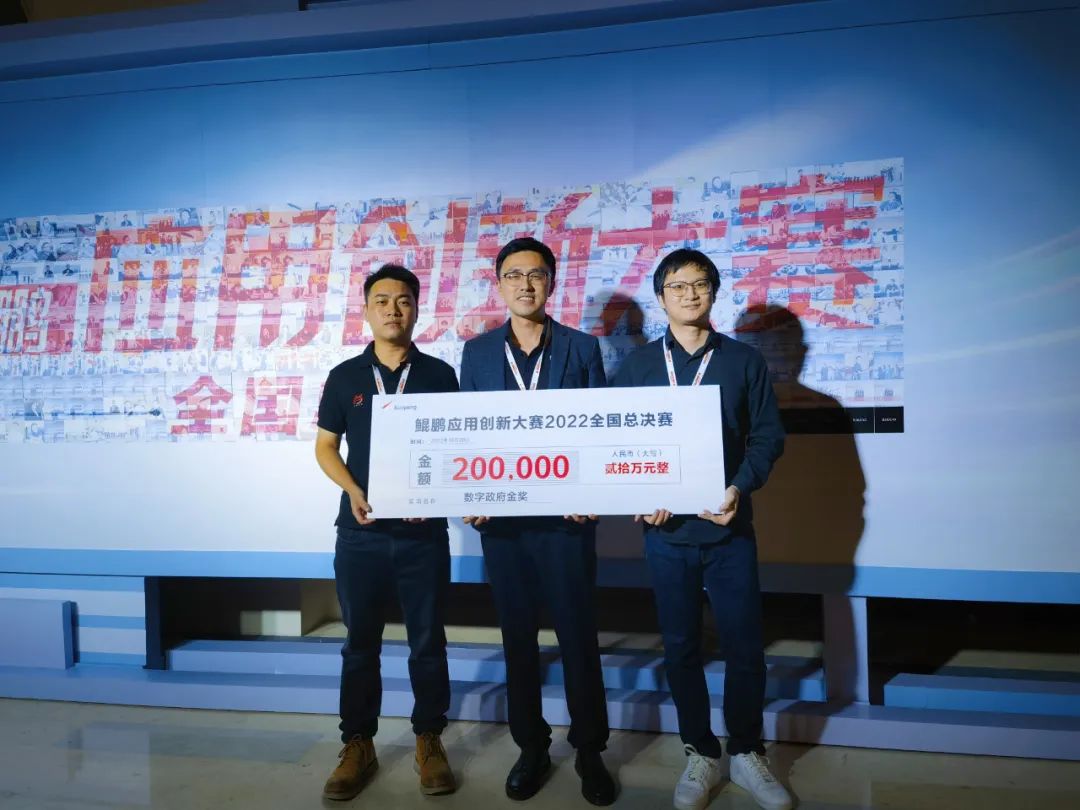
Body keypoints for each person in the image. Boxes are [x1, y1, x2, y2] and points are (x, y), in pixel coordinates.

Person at [611, 248, 791, 810]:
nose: (689, 294)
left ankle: (747, 751)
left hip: (728, 529)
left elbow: (767, 437)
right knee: (681, 646)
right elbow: (618, 444)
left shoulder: (742, 361)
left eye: (700, 284)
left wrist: (738, 487)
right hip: (667, 536)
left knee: (744, 646)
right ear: (660, 298)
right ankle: (700, 752)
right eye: (677, 286)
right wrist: (640, 494)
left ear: (713, 293)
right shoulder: (638, 367)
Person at [459, 237, 616, 806]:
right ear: (499, 283)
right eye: (514, 275)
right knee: (517, 639)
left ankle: (590, 749)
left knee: (578, 636)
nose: (525, 284)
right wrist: (469, 492)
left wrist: (590, 491)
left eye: (536, 274)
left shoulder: (581, 347)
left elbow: (599, 428)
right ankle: (531, 746)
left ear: (552, 282)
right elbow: (465, 431)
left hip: (565, 522)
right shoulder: (477, 353)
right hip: (503, 525)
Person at [315, 263, 459, 801]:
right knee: (360, 644)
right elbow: (325, 447)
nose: (393, 310)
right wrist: (354, 490)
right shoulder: (345, 376)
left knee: (428, 641)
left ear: (417, 309)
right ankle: (358, 743)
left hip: (424, 536)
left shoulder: (440, 375)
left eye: (403, 300)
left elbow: (455, 449)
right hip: (362, 533)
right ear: (366, 310)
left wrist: (436, 497)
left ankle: (429, 738)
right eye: (382, 301)